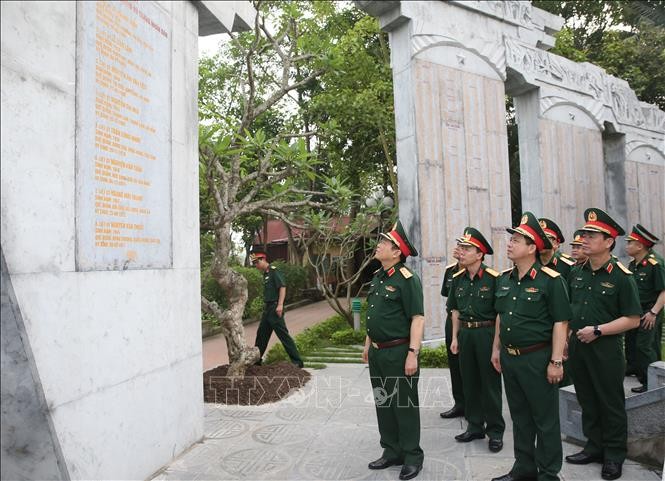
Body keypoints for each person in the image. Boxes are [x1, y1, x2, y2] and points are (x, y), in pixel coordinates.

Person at [490, 211, 571, 481]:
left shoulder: (551, 280)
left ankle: (548, 473)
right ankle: (524, 468)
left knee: (545, 420)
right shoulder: (504, 279)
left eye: (517, 239)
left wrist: (556, 361)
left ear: (532, 247)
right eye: (511, 239)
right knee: (520, 417)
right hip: (511, 360)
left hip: (538, 358)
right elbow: (500, 316)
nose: (510, 243)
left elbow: (561, 322)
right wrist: (496, 349)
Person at [565, 208, 641, 480]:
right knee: (586, 398)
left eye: (591, 235)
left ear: (609, 242)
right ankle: (594, 446)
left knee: (610, 403)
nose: (584, 239)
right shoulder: (577, 272)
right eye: (584, 233)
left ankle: (614, 454)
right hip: (578, 346)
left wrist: (598, 330)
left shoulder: (622, 276)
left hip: (605, 349)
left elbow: (633, 319)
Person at [363, 220, 425, 480]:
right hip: (378, 352)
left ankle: (412, 455)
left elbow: (417, 318)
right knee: (383, 402)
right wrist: (368, 346)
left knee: (403, 404)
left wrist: (413, 352)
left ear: (397, 251)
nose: (379, 246)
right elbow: (373, 315)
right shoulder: (378, 278)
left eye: (384, 243)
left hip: (399, 352)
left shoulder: (407, 280)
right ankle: (391, 450)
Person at [448, 228, 505, 452]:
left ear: (479, 254)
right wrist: (454, 337)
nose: (461, 252)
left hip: (486, 333)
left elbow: (500, 313)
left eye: (466, 249)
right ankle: (474, 426)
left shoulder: (494, 279)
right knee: (469, 382)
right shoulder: (457, 279)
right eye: (460, 248)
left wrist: (496, 347)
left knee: (490, 385)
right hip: (465, 334)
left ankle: (495, 431)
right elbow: (454, 310)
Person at [624, 224, 665, 393]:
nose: (627, 246)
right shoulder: (634, 264)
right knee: (632, 344)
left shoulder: (655, 264)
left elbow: (663, 291)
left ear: (640, 246)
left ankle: (651, 382)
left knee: (646, 347)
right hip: (635, 312)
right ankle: (636, 370)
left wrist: (653, 312)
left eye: (630, 243)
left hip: (650, 311)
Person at [250, 252, 304, 368]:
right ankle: (257, 360)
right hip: (267, 308)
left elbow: (282, 287)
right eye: (254, 264)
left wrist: (280, 305)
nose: (256, 265)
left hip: (275, 308)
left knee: (283, 335)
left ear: (263, 259)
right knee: (261, 334)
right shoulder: (265, 274)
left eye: (257, 262)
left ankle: (297, 362)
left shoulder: (274, 271)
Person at [439, 245, 465, 419]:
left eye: (463, 247)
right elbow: (446, 295)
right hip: (452, 321)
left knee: (470, 367)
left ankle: (475, 406)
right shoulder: (450, 271)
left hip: (471, 323)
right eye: (458, 246)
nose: (458, 250)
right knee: (454, 364)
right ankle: (459, 403)